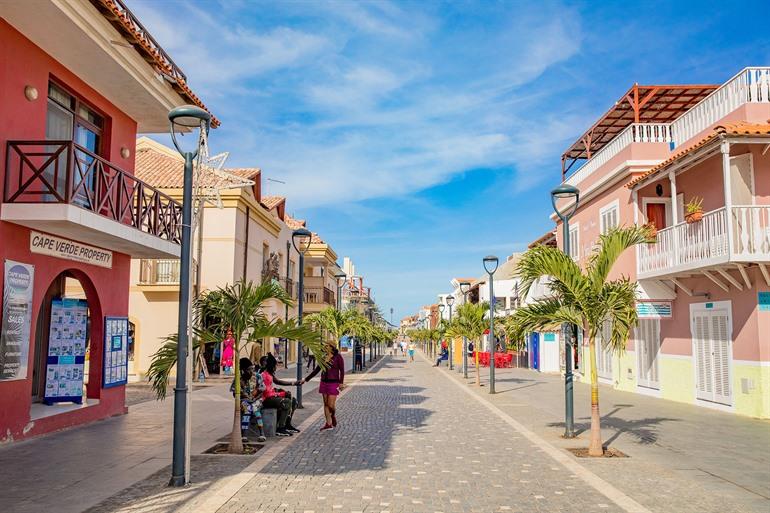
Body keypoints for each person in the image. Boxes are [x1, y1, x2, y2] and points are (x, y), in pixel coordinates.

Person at [304, 343, 345, 431]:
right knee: (326, 404)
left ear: (331, 347)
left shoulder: (338, 357)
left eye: (327, 346)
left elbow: (342, 370)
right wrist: (306, 379)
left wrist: (341, 383)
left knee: (331, 405)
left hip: (334, 383)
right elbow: (317, 370)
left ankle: (333, 415)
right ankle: (328, 423)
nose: (325, 348)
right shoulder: (323, 357)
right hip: (324, 382)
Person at [259, 353, 300, 436]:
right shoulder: (263, 374)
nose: (276, 367)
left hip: (271, 396)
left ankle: (287, 424)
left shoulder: (270, 374)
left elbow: (278, 381)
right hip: (266, 399)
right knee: (286, 402)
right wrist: (280, 394)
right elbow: (266, 393)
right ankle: (280, 428)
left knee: (293, 401)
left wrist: (293, 383)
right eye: (275, 365)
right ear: (271, 366)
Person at [230, 357, 266, 442]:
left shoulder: (258, 376)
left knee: (255, 409)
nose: (251, 371)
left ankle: (262, 434)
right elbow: (234, 394)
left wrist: (254, 399)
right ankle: (244, 435)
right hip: (244, 400)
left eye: (252, 369)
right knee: (247, 410)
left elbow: (262, 392)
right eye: (249, 369)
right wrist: (243, 398)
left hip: (257, 399)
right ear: (243, 370)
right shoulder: (238, 379)